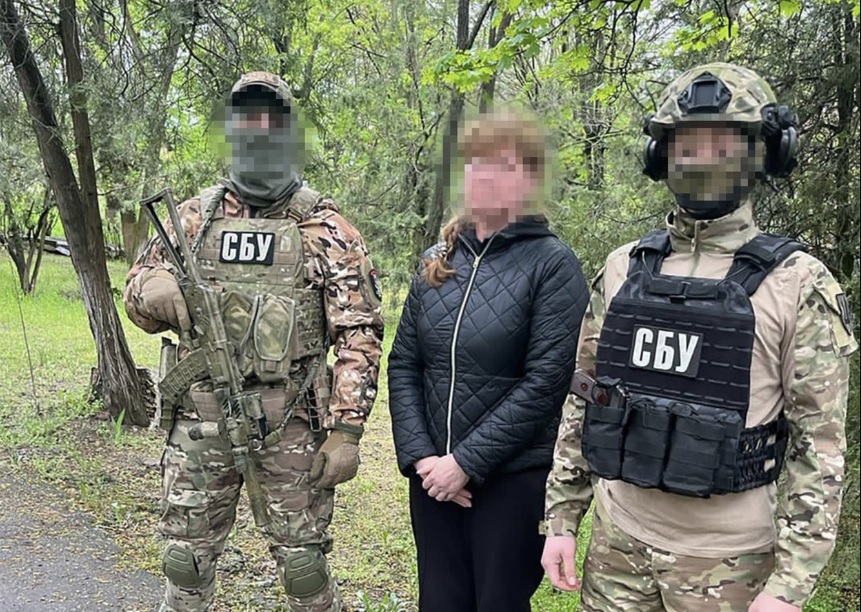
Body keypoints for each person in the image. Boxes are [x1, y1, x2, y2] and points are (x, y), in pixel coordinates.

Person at [541, 62, 858, 612]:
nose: (702, 160)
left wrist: (789, 585)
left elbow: (820, 448)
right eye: (687, 145)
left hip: (729, 563)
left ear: (763, 154)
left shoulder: (798, 283)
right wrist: (563, 517)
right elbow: (587, 396)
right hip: (618, 545)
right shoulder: (623, 268)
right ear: (661, 155)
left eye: (723, 144)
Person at [123, 71, 384, 612]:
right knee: (184, 562)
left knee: (305, 571)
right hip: (200, 421)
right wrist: (151, 286)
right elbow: (136, 293)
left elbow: (359, 333)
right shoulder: (193, 219)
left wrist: (347, 431)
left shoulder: (326, 228)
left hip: (291, 424)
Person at [387, 109, 590, 612]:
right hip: (434, 481)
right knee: (439, 602)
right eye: (477, 163)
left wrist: (466, 463)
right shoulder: (439, 260)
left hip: (510, 482)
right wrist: (423, 459)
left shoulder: (552, 264)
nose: (486, 176)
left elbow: (547, 383)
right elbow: (405, 363)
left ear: (529, 179)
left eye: (503, 165)